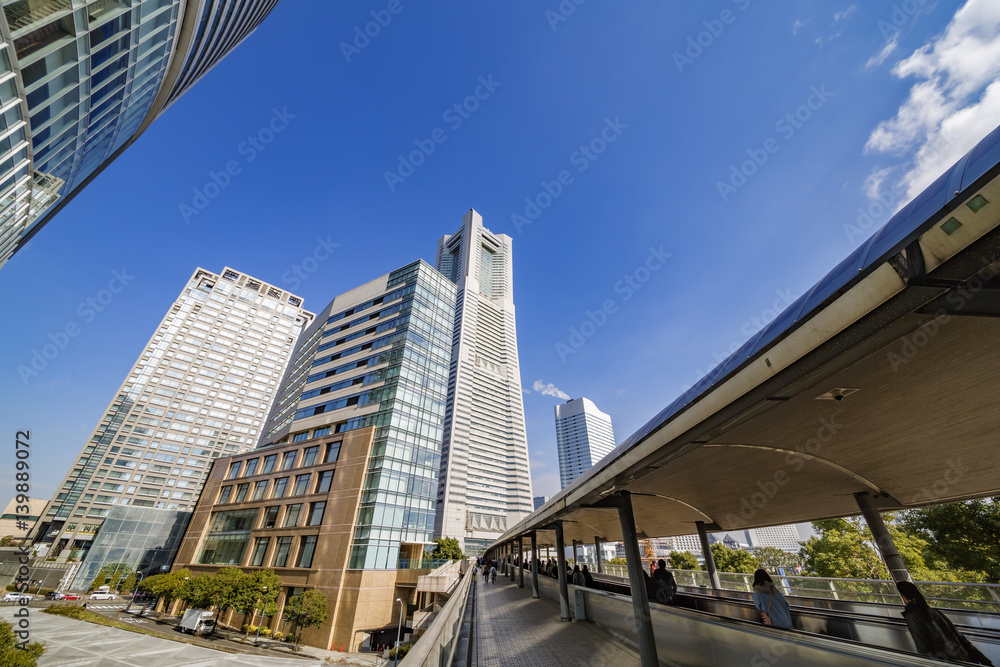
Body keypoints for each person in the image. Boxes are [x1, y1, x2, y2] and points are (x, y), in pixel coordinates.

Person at [897, 581, 993, 665]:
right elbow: (960, 638)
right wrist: (984, 660)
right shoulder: (934, 612)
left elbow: (923, 648)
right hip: (964, 658)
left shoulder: (913, 617)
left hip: (948, 662)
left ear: (903, 596)